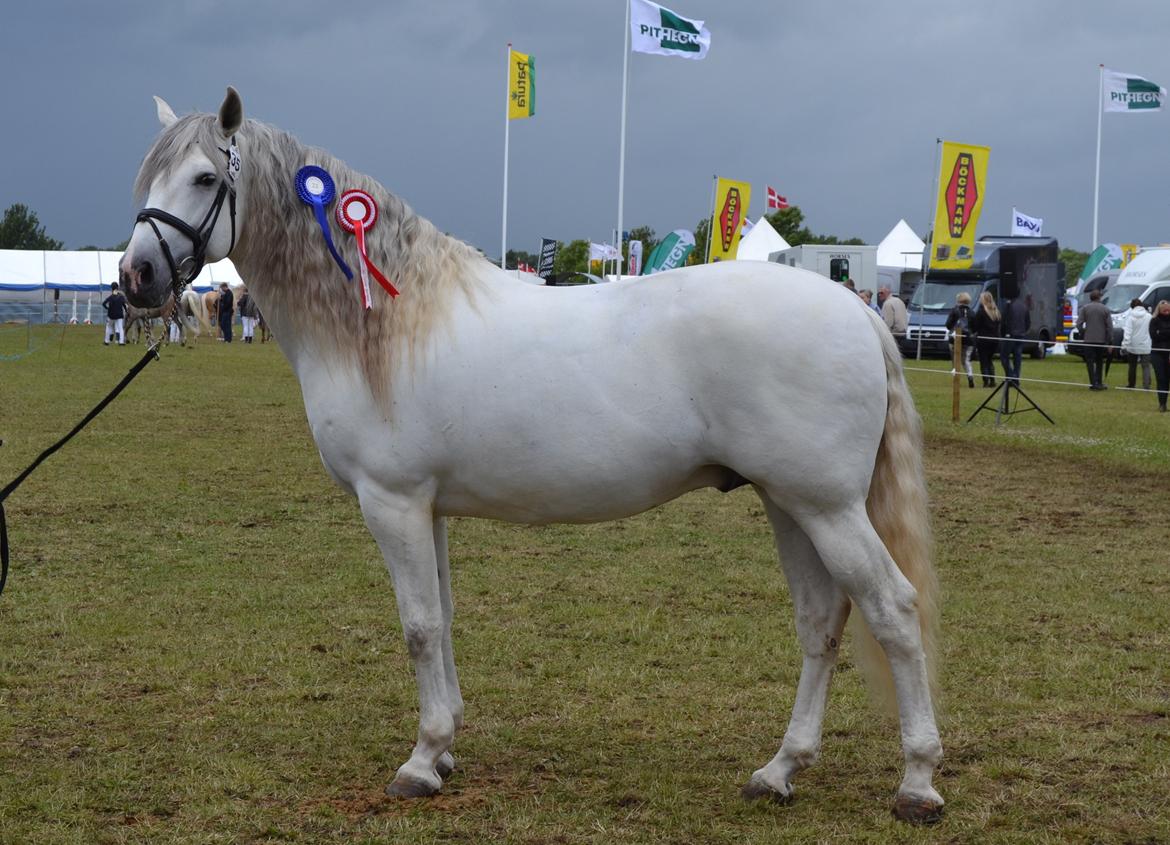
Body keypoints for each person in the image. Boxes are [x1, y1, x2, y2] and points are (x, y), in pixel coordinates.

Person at [1077, 289, 1112, 390]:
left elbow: (1079, 324)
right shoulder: (1105, 309)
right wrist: (1109, 339)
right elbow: (1109, 327)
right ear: (1100, 297)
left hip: (1088, 340)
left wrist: (1083, 332)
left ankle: (1093, 383)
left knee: (1089, 362)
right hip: (1100, 340)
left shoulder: (1085, 308)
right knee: (1099, 361)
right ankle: (1099, 382)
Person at [970, 291, 1001, 387]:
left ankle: (986, 380)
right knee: (989, 360)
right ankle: (992, 380)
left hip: (984, 339)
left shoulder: (981, 312)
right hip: (994, 340)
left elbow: (975, 327)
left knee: (983, 360)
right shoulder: (996, 312)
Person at [945, 291, 975, 388]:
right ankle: (970, 376)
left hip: (955, 338)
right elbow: (975, 327)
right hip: (968, 339)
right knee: (966, 360)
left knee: (955, 359)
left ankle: (956, 377)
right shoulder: (972, 312)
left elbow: (948, 325)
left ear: (959, 300)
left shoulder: (954, 310)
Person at [1121, 298, 1152, 392]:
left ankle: (1131, 384)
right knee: (1146, 366)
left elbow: (1128, 332)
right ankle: (1146, 385)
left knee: (1132, 366)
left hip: (1132, 345)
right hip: (1145, 344)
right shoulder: (1148, 316)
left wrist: (1124, 345)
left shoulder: (1130, 317)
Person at [1000, 296, 1030, 385]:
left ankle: (1011, 376)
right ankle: (1016, 377)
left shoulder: (1008, 305)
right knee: (1017, 358)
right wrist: (1023, 331)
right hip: (1021, 335)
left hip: (1010, 335)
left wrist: (1003, 334)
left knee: (1004, 357)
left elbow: (1004, 321)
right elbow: (1028, 322)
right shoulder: (1024, 306)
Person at [1148, 300, 1170, 411]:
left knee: (1168, 379)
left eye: (1168, 309)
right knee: (1161, 379)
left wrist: (1161, 333)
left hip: (1169, 353)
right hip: (1157, 354)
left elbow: (1159, 334)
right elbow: (1153, 336)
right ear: (1159, 310)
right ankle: (1162, 404)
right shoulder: (1154, 321)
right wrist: (1165, 334)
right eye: (1164, 310)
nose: (1167, 311)